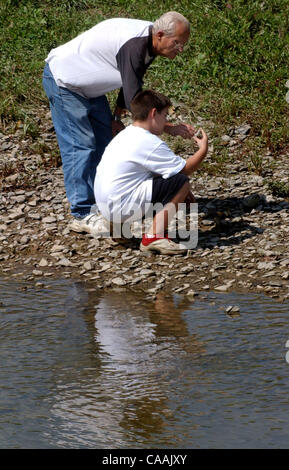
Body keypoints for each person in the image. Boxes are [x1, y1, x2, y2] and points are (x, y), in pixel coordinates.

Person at [42, 11, 194, 235]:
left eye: (183, 44)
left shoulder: (150, 43)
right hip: (65, 81)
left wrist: (115, 119)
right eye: (177, 43)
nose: (180, 50)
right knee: (81, 146)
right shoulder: (135, 45)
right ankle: (82, 213)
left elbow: (131, 82)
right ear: (161, 34)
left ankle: (103, 206)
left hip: (91, 88)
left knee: (106, 142)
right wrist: (169, 128)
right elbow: (138, 106)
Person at [94, 90, 208, 255]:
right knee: (181, 182)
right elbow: (184, 170)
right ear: (154, 113)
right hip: (121, 206)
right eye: (164, 116)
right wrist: (203, 150)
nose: (165, 121)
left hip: (105, 206)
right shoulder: (149, 142)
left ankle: (116, 229)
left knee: (171, 182)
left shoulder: (124, 135)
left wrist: (178, 194)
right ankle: (153, 236)